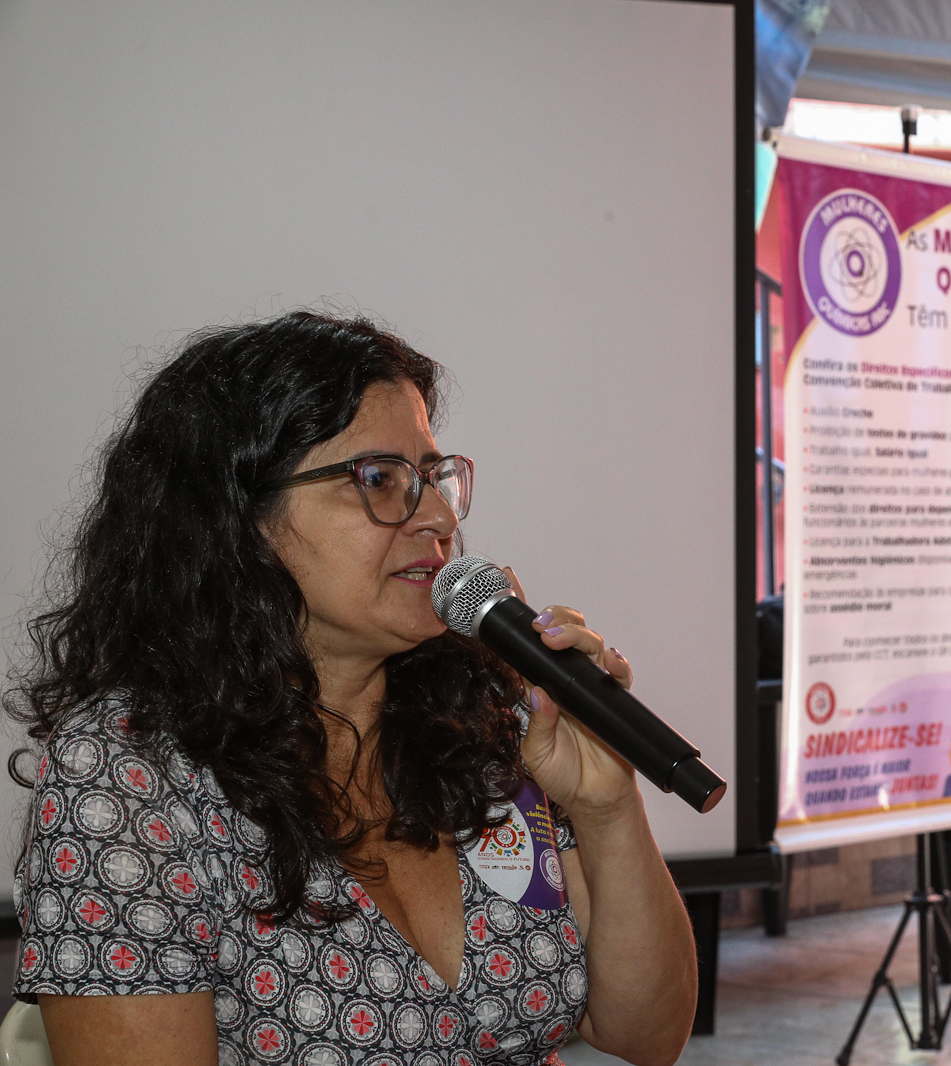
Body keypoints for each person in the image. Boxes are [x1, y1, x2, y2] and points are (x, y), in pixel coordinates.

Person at [6, 312, 696, 1066]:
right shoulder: (126, 775)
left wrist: (606, 806)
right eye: (378, 478)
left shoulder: (488, 716)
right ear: (240, 518)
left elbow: (645, 1035)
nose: (435, 516)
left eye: (433, 476)